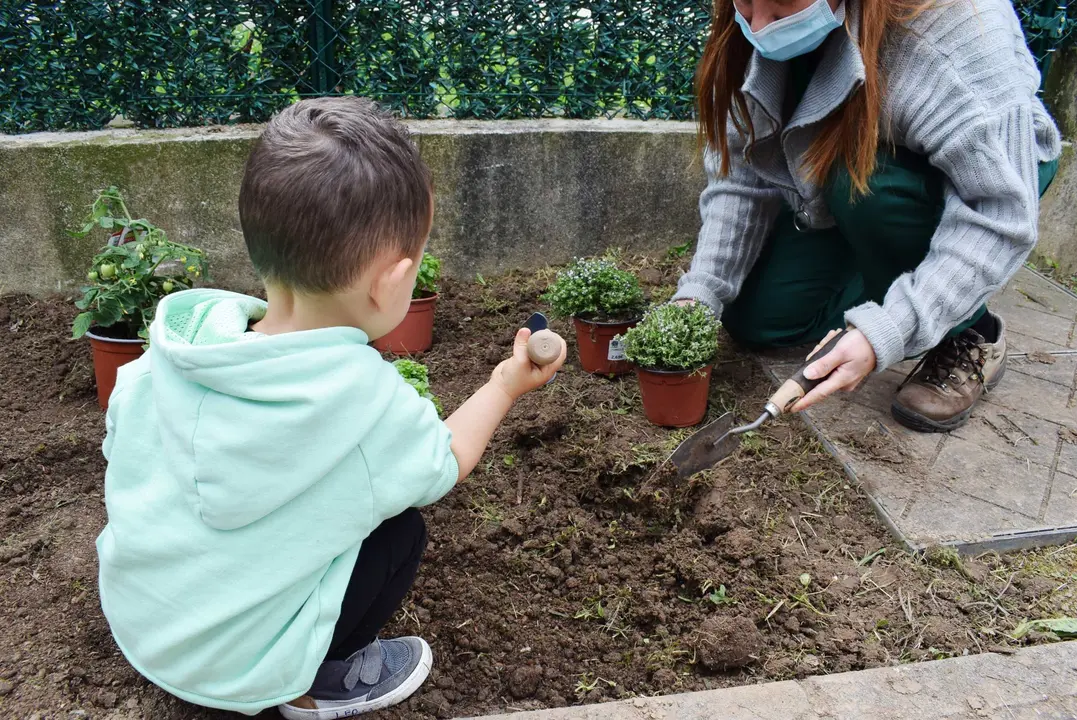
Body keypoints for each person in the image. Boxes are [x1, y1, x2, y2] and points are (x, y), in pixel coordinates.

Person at [95, 97, 566, 718]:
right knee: (398, 532)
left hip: (148, 629)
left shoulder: (173, 352)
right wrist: (506, 384)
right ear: (392, 282)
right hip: (245, 671)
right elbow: (447, 459)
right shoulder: (361, 402)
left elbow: (122, 459)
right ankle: (304, 685)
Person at [674, 0, 1062, 431]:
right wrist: (700, 293)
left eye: (781, 7)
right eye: (745, 1)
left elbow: (998, 212)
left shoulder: (950, 29)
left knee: (865, 188)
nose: (759, 27)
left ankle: (972, 331)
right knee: (758, 320)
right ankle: (887, 268)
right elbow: (742, 176)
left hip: (989, 174)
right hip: (839, 179)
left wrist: (889, 331)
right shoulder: (747, 25)